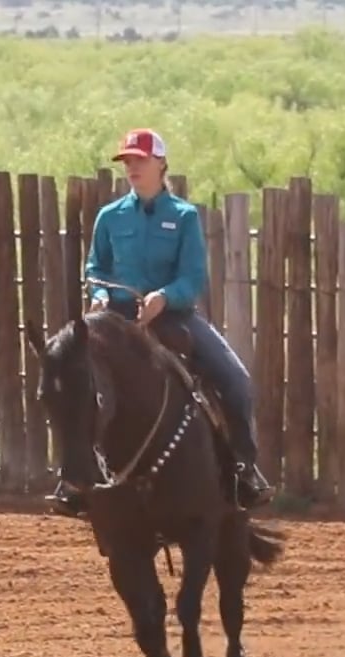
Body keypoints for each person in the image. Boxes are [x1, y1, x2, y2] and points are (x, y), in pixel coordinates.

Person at [48, 127, 275, 519]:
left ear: (161, 164)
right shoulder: (109, 216)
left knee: (235, 380)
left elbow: (193, 277)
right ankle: (73, 480)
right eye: (128, 161)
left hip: (173, 319)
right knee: (74, 384)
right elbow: (95, 266)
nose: (132, 167)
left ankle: (243, 470)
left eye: (140, 160)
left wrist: (164, 297)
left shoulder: (184, 217)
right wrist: (98, 293)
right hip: (115, 319)